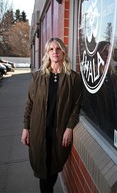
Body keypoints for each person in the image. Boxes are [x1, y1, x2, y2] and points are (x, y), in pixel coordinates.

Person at [21, 37, 83, 193]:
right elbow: (30, 103)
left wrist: (69, 127)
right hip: (39, 130)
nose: (55, 52)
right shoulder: (38, 77)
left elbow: (76, 106)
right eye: (51, 49)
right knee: (43, 171)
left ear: (63, 52)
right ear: (47, 53)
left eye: (58, 49)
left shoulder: (73, 78)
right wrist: (25, 127)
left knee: (53, 168)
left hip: (58, 131)